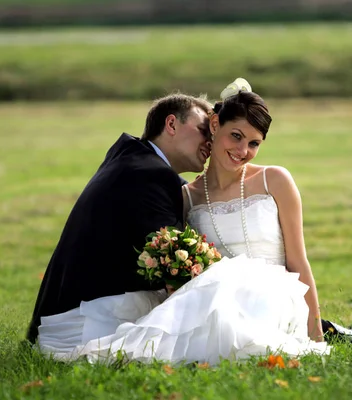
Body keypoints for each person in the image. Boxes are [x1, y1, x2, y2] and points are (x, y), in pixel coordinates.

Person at [31, 79, 352, 364]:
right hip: (216, 301)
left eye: (254, 143)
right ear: (210, 126)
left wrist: (314, 331)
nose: (238, 150)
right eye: (232, 136)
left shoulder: (274, 180)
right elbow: (176, 268)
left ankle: (324, 328)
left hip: (276, 295)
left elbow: (298, 261)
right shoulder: (178, 191)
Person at [27, 93, 214, 345]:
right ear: (171, 124)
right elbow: (173, 269)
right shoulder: (151, 175)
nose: (210, 143)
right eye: (204, 131)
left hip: (64, 303)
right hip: (85, 318)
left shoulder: (132, 157)